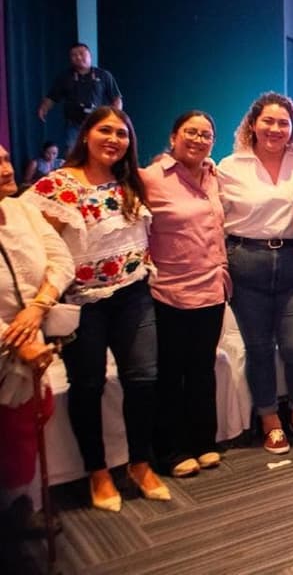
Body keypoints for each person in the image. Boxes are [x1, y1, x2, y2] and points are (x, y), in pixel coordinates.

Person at [23, 108, 168, 511]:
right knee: (88, 386)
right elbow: (38, 249)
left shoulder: (129, 182)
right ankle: (98, 471)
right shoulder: (56, 186)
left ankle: (139, 462)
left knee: (142, 379)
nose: (114, 139)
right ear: (85, 135)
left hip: (133, 294)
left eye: (122, 133)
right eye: (105, 130)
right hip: (82, 303)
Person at [218, 93, 293, 455]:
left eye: (283, 123)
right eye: (268, 121)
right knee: (259, 348)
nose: (275, 129)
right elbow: (214, 219)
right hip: (247, 261)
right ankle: (269, 419)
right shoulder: (229, 166)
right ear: (252, 124)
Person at [141, 111, 231, 477]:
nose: (198, 139)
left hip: (211, 288)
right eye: (190, 132)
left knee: (202, 369)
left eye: (206, 134)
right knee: (170, 373)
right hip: (169, 292)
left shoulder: (213, 176)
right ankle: (169, 449)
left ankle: (203, 441)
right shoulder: (150, 178)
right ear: (173, 136)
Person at [0, 144, 73, 532]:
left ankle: (20, 505)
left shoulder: (23, 209)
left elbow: (60, 260)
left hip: (31, 333)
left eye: (5, 159)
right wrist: (15, 338)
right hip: (10, 341)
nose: (5, 169)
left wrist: (38, 306)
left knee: (27, 421)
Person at [36, 43, 123, 150]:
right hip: (74, 123)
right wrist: (43, 108)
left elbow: (116, 98)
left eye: (81, 54)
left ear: (90, 56)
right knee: (73, 152)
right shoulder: (64, 77)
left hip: (98, 122)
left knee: (98, 150)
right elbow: (52, 97)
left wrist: (115, 116)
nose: (78, 57)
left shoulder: (104, 75)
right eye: (74, 55)